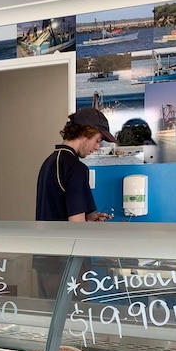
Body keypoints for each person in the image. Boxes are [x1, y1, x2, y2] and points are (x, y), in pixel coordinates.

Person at [34, 107, 116, 297]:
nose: (97, 147)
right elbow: (76, 226)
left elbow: (55, 210)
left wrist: (90, 219)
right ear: (85, 132)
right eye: (97, 140)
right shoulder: (76, 168)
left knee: (49, 320)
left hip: (44, 260)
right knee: (74, 321)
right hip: (67, 262)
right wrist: (92, 226)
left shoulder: (48, 163)